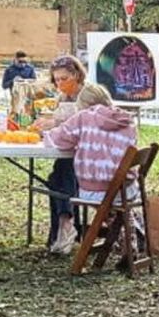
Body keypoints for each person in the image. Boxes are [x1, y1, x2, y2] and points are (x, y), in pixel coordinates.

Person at [43, 83, 139, 254]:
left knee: (59, 181)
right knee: (115, 206)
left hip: (96, 189)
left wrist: (44, 132)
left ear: (84, 105)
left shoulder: (84, 117)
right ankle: (128, 239)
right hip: (127, 188)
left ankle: (122, 240)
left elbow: (59, 138)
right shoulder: (127, 121)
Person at [31, 54, 86, 252]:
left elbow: (84, 124)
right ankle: (65, 226)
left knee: (61, 173)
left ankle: (64, 225)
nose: (60, 83)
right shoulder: (63, 97)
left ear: (77, 75)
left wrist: (55, 124)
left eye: (64, 78)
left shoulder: (87, 94)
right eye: (57, 79)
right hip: (76, 152)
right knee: (57, 175)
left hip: (94, 158)